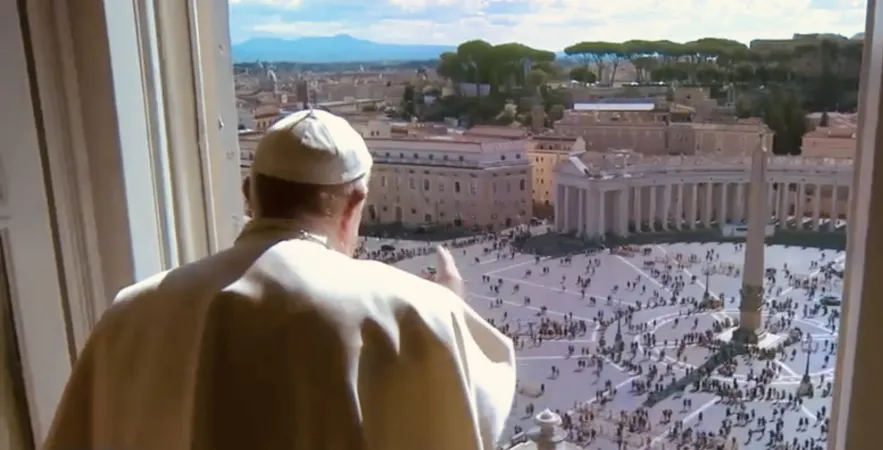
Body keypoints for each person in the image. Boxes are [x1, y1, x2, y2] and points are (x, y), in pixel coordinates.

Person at [44, 109, 516, 450]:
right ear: (355, 204)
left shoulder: (130, 311)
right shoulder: (411, 307)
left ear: (250, 196)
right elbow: (474, 419)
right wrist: (448, 306)